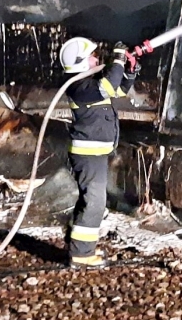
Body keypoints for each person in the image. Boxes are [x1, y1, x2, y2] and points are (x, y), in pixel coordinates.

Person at [58, 37, 138, 268]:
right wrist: (118, 59)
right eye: (92, 57)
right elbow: (109, 87)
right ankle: (82, 255)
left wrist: (130, 71)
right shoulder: (79, 86)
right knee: (95, 203)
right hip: (88, 155)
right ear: (81, 62)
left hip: (95, 154)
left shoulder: (90, 84)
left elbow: (118, 90)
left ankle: (75, 243)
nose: (96, 60)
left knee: (89, 200)